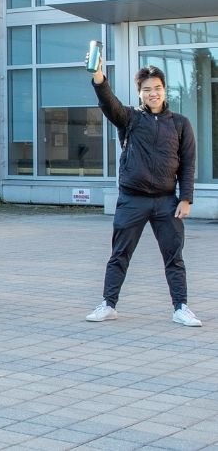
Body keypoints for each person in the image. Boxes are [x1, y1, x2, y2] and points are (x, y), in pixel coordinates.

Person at [84, 58, 200, 326]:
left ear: (164, 89)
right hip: (132, 200)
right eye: (147, 89)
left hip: (166, 202)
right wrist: (99, 76)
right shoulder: (131, 118)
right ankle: (108, 305)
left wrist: (186, 198)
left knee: (174, 256)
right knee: (119, 255)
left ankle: (181, 307)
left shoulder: (180, 123)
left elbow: (188, 162)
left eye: (157, 87)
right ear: (140, 92)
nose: (153, 93)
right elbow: (108, 104)